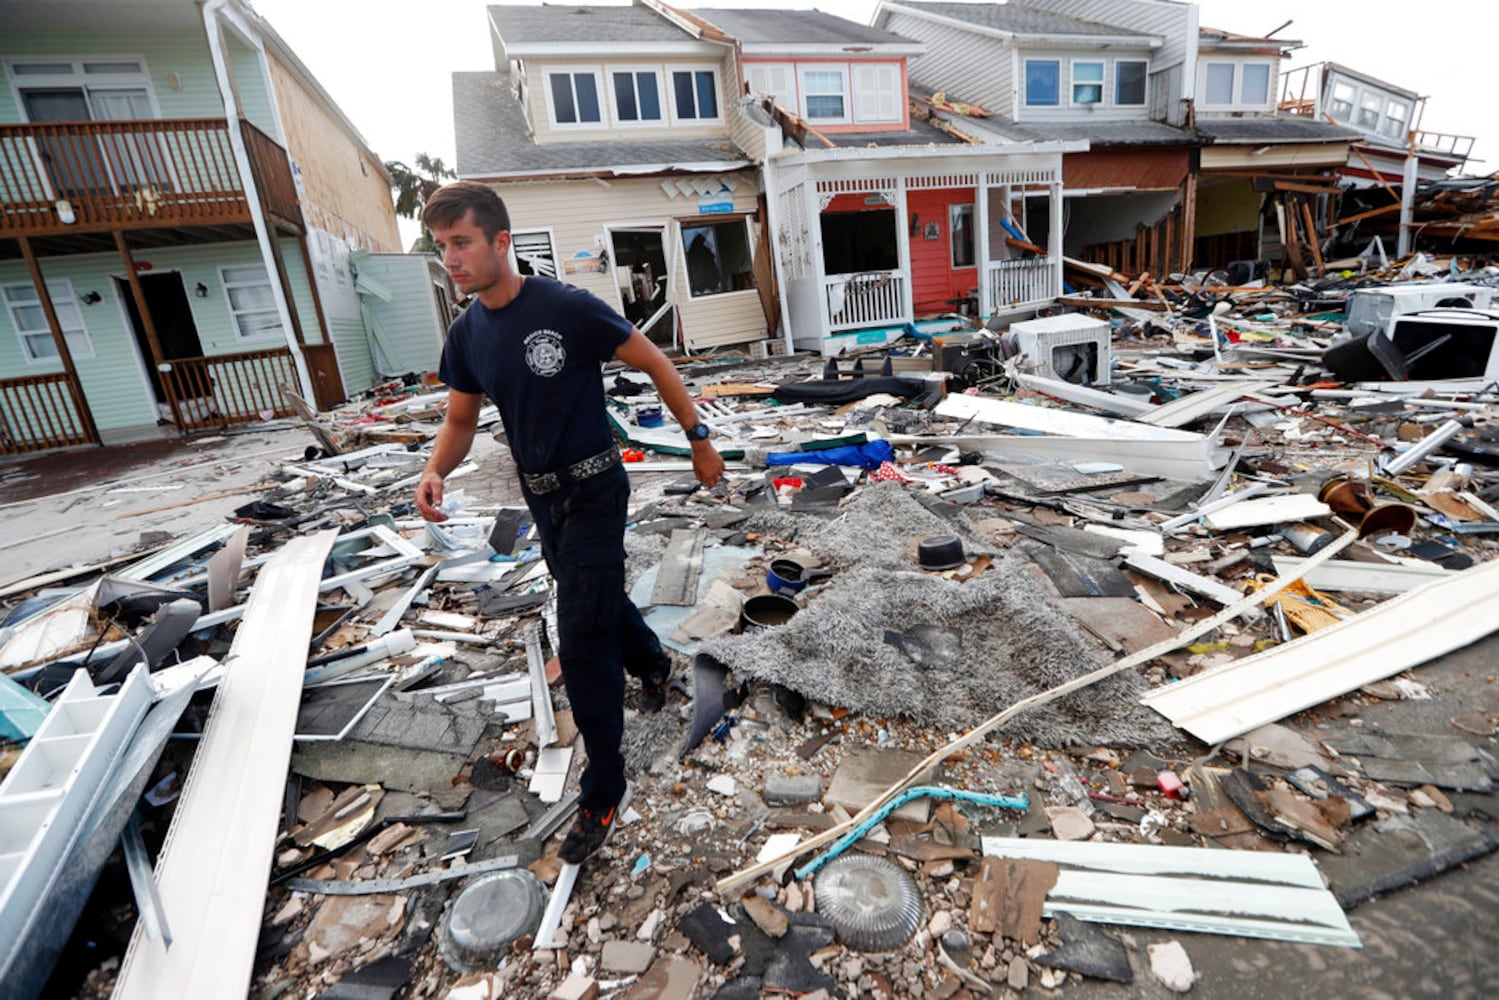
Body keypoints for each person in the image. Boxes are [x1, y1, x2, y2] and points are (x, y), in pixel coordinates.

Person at [415, 181, 724, 864]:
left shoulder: (566, 308)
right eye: (442, 248)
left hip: (593, 488)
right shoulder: (467, 334)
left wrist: (698, 436)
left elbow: (652, 360)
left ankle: (603, 789)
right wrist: (436, 468)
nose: (452, 260)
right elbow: (461, 420)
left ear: (499, 242)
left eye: (460, 243)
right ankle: (651, 665)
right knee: (598, 598)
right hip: (541, 498)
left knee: (578, 634)